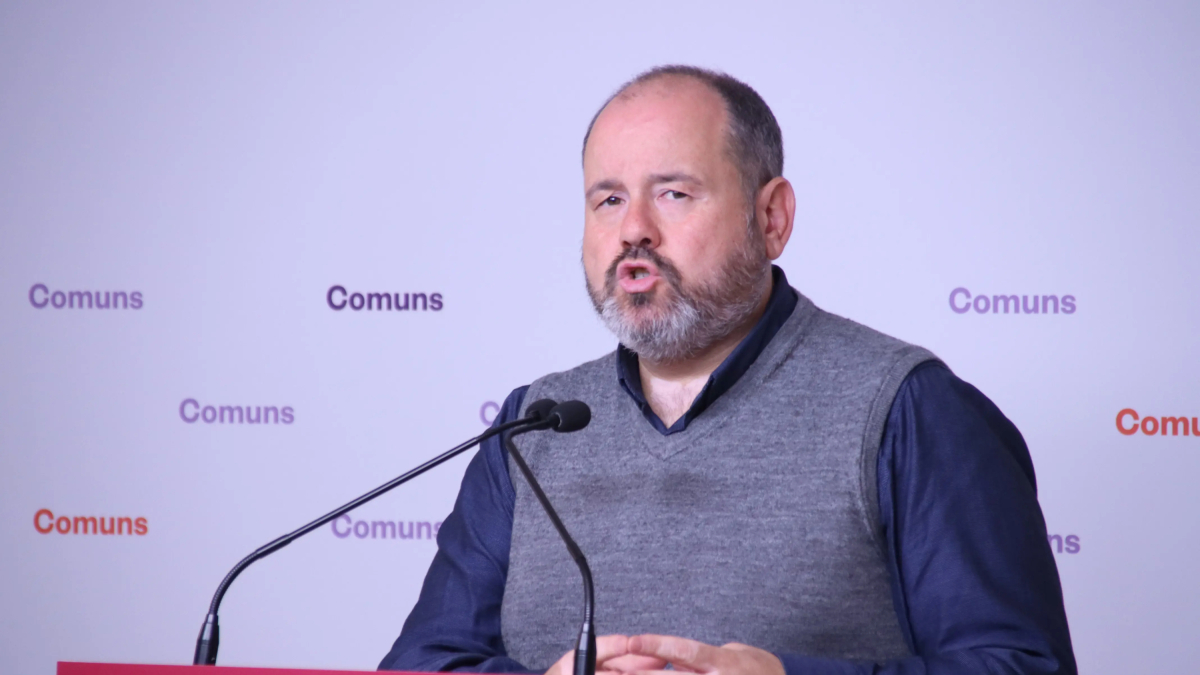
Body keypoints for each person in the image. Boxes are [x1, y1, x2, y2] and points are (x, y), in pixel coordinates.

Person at [379, 65, 1076, 675]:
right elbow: (423, 664)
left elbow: (1019, 665)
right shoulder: (534, 422)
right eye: (608, 199)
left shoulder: (909, 410)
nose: (633, 230)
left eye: (674, 193)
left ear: (771, 217)